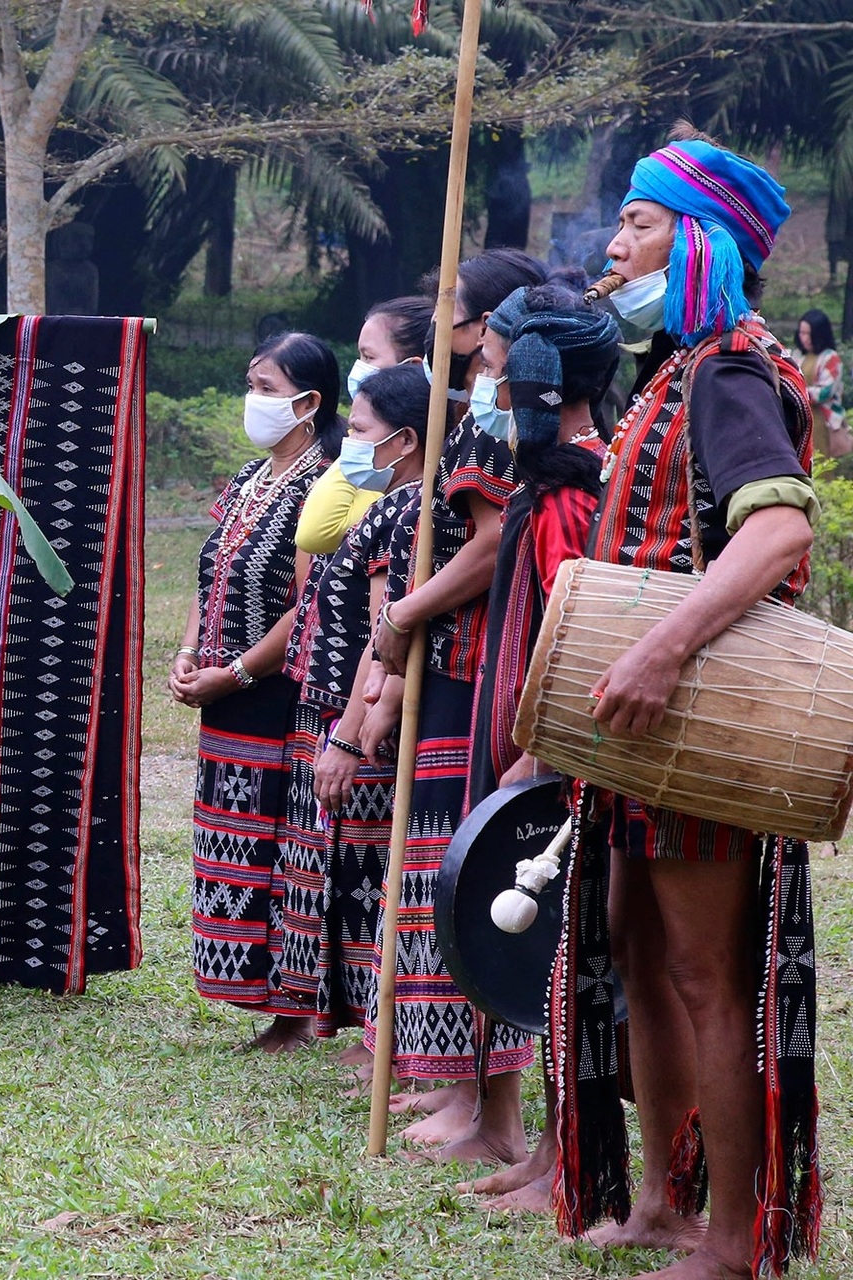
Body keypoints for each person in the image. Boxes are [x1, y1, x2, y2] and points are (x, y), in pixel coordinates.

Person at [550, 128, 821, 1280]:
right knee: (636, 942)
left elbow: (779, 529)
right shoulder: (680, 363)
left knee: (707, 972)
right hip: (639, 723)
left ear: (700, 240)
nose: (616, 245)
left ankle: (734, 1238)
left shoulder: (734, 369)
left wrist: (661, 651)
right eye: (619, 221)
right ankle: (665, 1197)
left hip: (696, 712)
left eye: (640, 223)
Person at [366, 248, 550, 1160]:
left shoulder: (497, 424)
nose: (439, 322)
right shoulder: (478, 415)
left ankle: (494, 1111)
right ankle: (464, 1091)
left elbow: (485, 548)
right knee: (440, 877)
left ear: (488, 328)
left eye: (454, 310)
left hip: (480, 669)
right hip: (460, 666)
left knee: (471, 877)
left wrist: (406, 613)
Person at [446, 285, 621, 1212]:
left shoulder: (570, 494)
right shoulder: (558, 480)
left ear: (537, 376)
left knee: (568, 947)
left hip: (556, 759)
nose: (486, 379)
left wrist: (540, 750)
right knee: (552, 948)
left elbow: (581, 633)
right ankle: (553, 1148)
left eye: (495, 363)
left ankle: (572, 1156)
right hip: (534, 747)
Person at [173, 331, 341, 1052]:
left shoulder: (324, 483)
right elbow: (209, 574)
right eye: (252, 384)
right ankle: (259, 995)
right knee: (234, 843)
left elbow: (307, 605)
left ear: (308, 403)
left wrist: (238, 671)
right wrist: (189, 654)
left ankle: (294, 1012)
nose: (253, 399)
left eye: (266, 388)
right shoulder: (248, 479)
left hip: (277, 691)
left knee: (283, 846)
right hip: (223, 691)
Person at [278, 364, 428, 1052]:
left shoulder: (407, 512)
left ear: (405, 440)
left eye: (361, 432)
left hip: (367, 722)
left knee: (368, 879)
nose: (348, 447)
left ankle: (380, 1046)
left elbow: (385, 637)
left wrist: (349, 735)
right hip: (352, 713)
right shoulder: (394, 502)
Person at [296, 295, 435, 557]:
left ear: (413, 367)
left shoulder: (396, 466)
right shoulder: (377, 454)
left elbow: (316, 533)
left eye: (369, 357)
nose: (358, 369)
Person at [790, 309, 844, 457]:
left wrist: (794, 392)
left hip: (822, 422)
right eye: (802, 333)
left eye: (808, 334)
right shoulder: (797, 355)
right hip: (801, 418)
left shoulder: (831, 358)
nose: (804, 338)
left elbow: (824, 392)